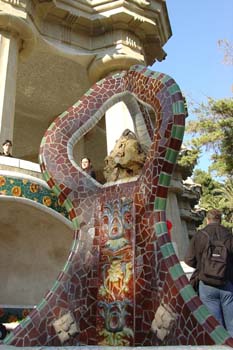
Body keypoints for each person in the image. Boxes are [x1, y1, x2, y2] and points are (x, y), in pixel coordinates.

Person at [185, 209, 233, 336]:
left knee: (215, 328)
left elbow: (189, 260)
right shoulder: (229, 235)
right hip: (227, 283)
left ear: (207, 220)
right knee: (232, 325)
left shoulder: (200, 235)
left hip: (206, 285)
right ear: (220, 220)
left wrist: (203, 266)